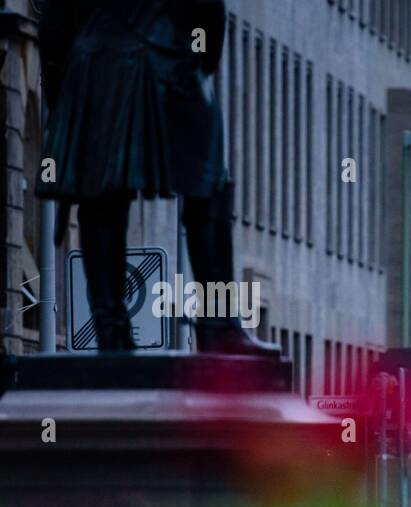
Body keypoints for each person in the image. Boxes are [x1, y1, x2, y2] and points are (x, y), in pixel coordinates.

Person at [38, 0, 278, 357]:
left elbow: (54, 18)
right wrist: (201, 59)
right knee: (206, 181)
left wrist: (61, 92)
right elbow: (208, 10)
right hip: (168, 57)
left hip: (98, 59)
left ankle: (112, 330)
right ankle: (216, 325)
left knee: (102, 193)